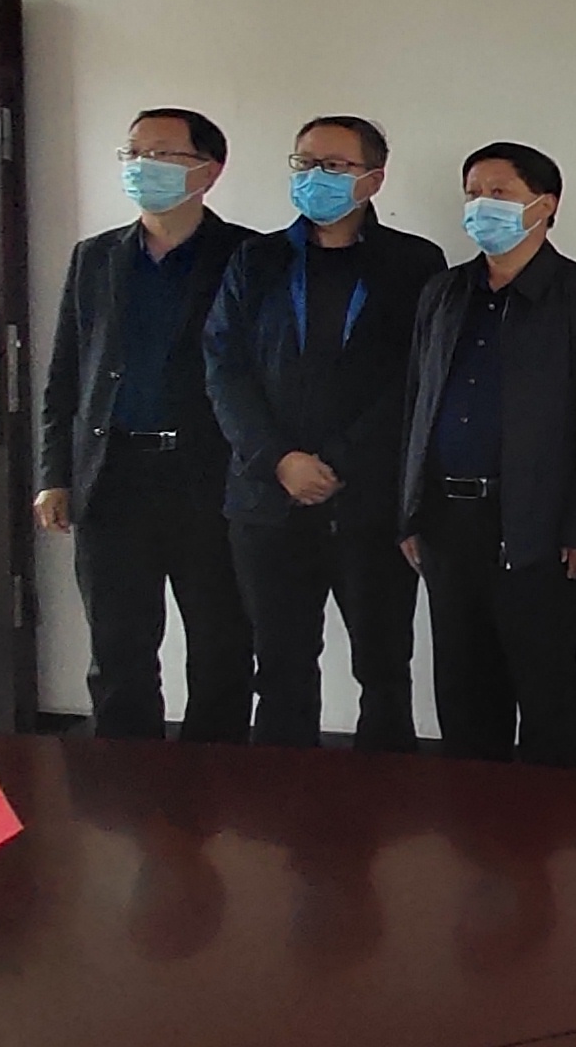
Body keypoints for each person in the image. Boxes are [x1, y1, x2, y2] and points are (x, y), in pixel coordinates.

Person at [203, 116, 445, 752]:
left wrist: (336, 462)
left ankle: (381, 795)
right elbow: (224, 368)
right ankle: (285, 802)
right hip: (266, 498)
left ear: (373, 179)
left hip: (371, 500)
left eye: (335, 166)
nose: (316, 177)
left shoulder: (415, 263)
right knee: (280, 668)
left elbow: (415, 379)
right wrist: (280, 460)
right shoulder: (256, 259)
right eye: (305, 163)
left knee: (384, 669)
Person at [396, 142, 576, 767]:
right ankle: (477, 820)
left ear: (545, 204)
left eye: (499, 193)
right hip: (448, 522)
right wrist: (410, 511)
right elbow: (416, 403)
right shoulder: (444, 292)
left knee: (546, 692)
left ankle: (555, 826)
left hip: (537, 528)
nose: (482, 205)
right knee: (463, 694)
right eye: (473, 193)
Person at [37, 107, 257, 742]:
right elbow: (66, 373)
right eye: (133, 153)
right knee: (118, 650)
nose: (142, 166)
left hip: (210, 476)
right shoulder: (96, 256)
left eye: (161, 154)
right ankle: (126, 781)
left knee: (222, 644)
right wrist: (54, 474)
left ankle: (213, 778)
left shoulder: (247, 256)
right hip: (112, 475)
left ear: (208, 171)